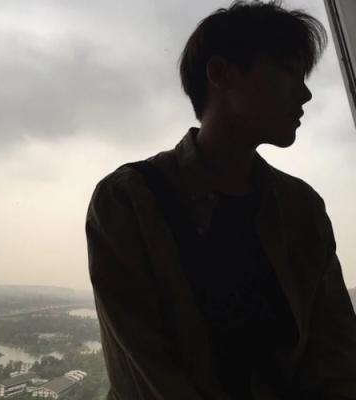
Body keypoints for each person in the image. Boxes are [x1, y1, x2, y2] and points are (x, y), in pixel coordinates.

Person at [85, 1, 356, 399]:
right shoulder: (127, 201)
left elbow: (337, 357)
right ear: (220, 73)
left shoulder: (302, 208)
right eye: (288, 70)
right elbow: (146, 377)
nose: (306, 93)